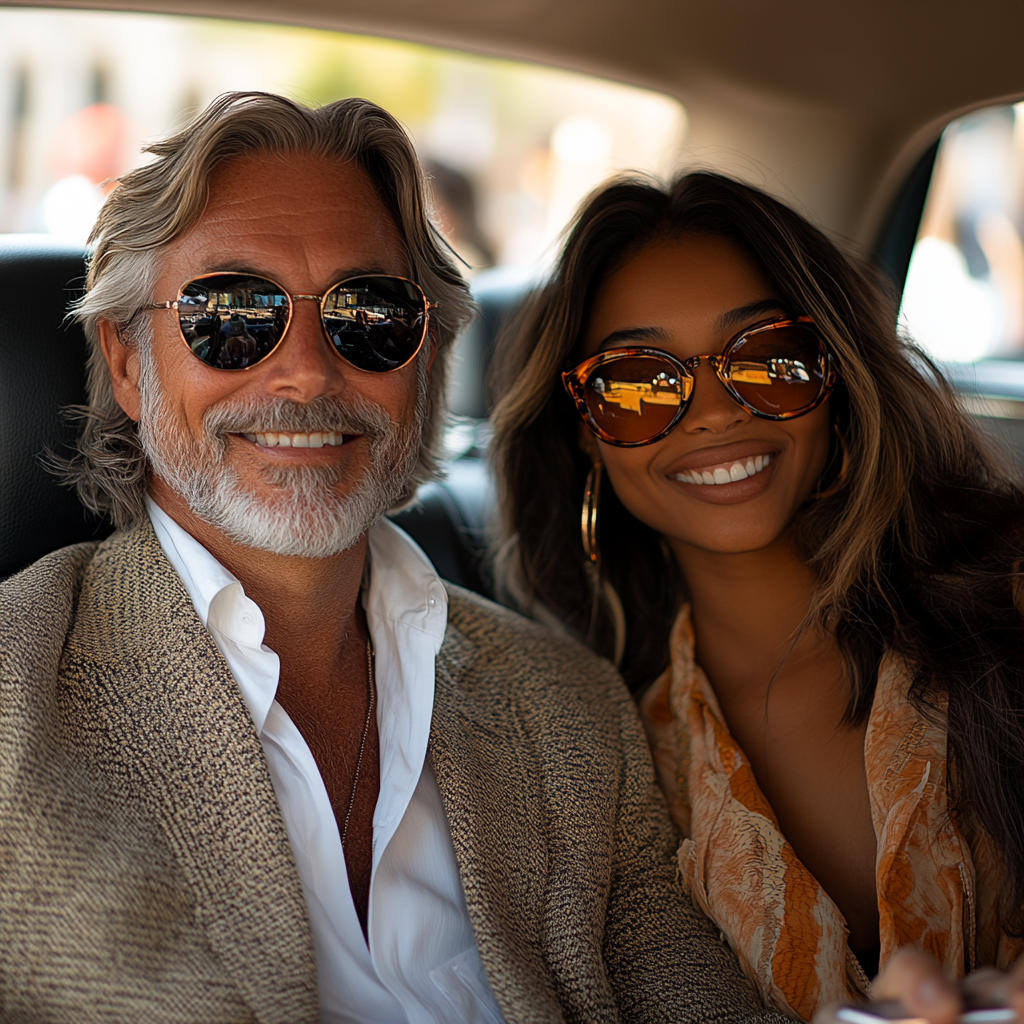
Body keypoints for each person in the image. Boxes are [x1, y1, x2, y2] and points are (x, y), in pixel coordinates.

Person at [0, 93, 783, 1024]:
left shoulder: (571, 713)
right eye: (233, 313)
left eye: (368, 313)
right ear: (129, 363)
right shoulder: (15, 691)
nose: (306, 372)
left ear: (423, 362)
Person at [490, 171, 1024, 1021]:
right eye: (640, 381)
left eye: (764, 357)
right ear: (586, 432)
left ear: (834, 370)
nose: (710, 413)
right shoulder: (603, 752)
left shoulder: (1010, 592)